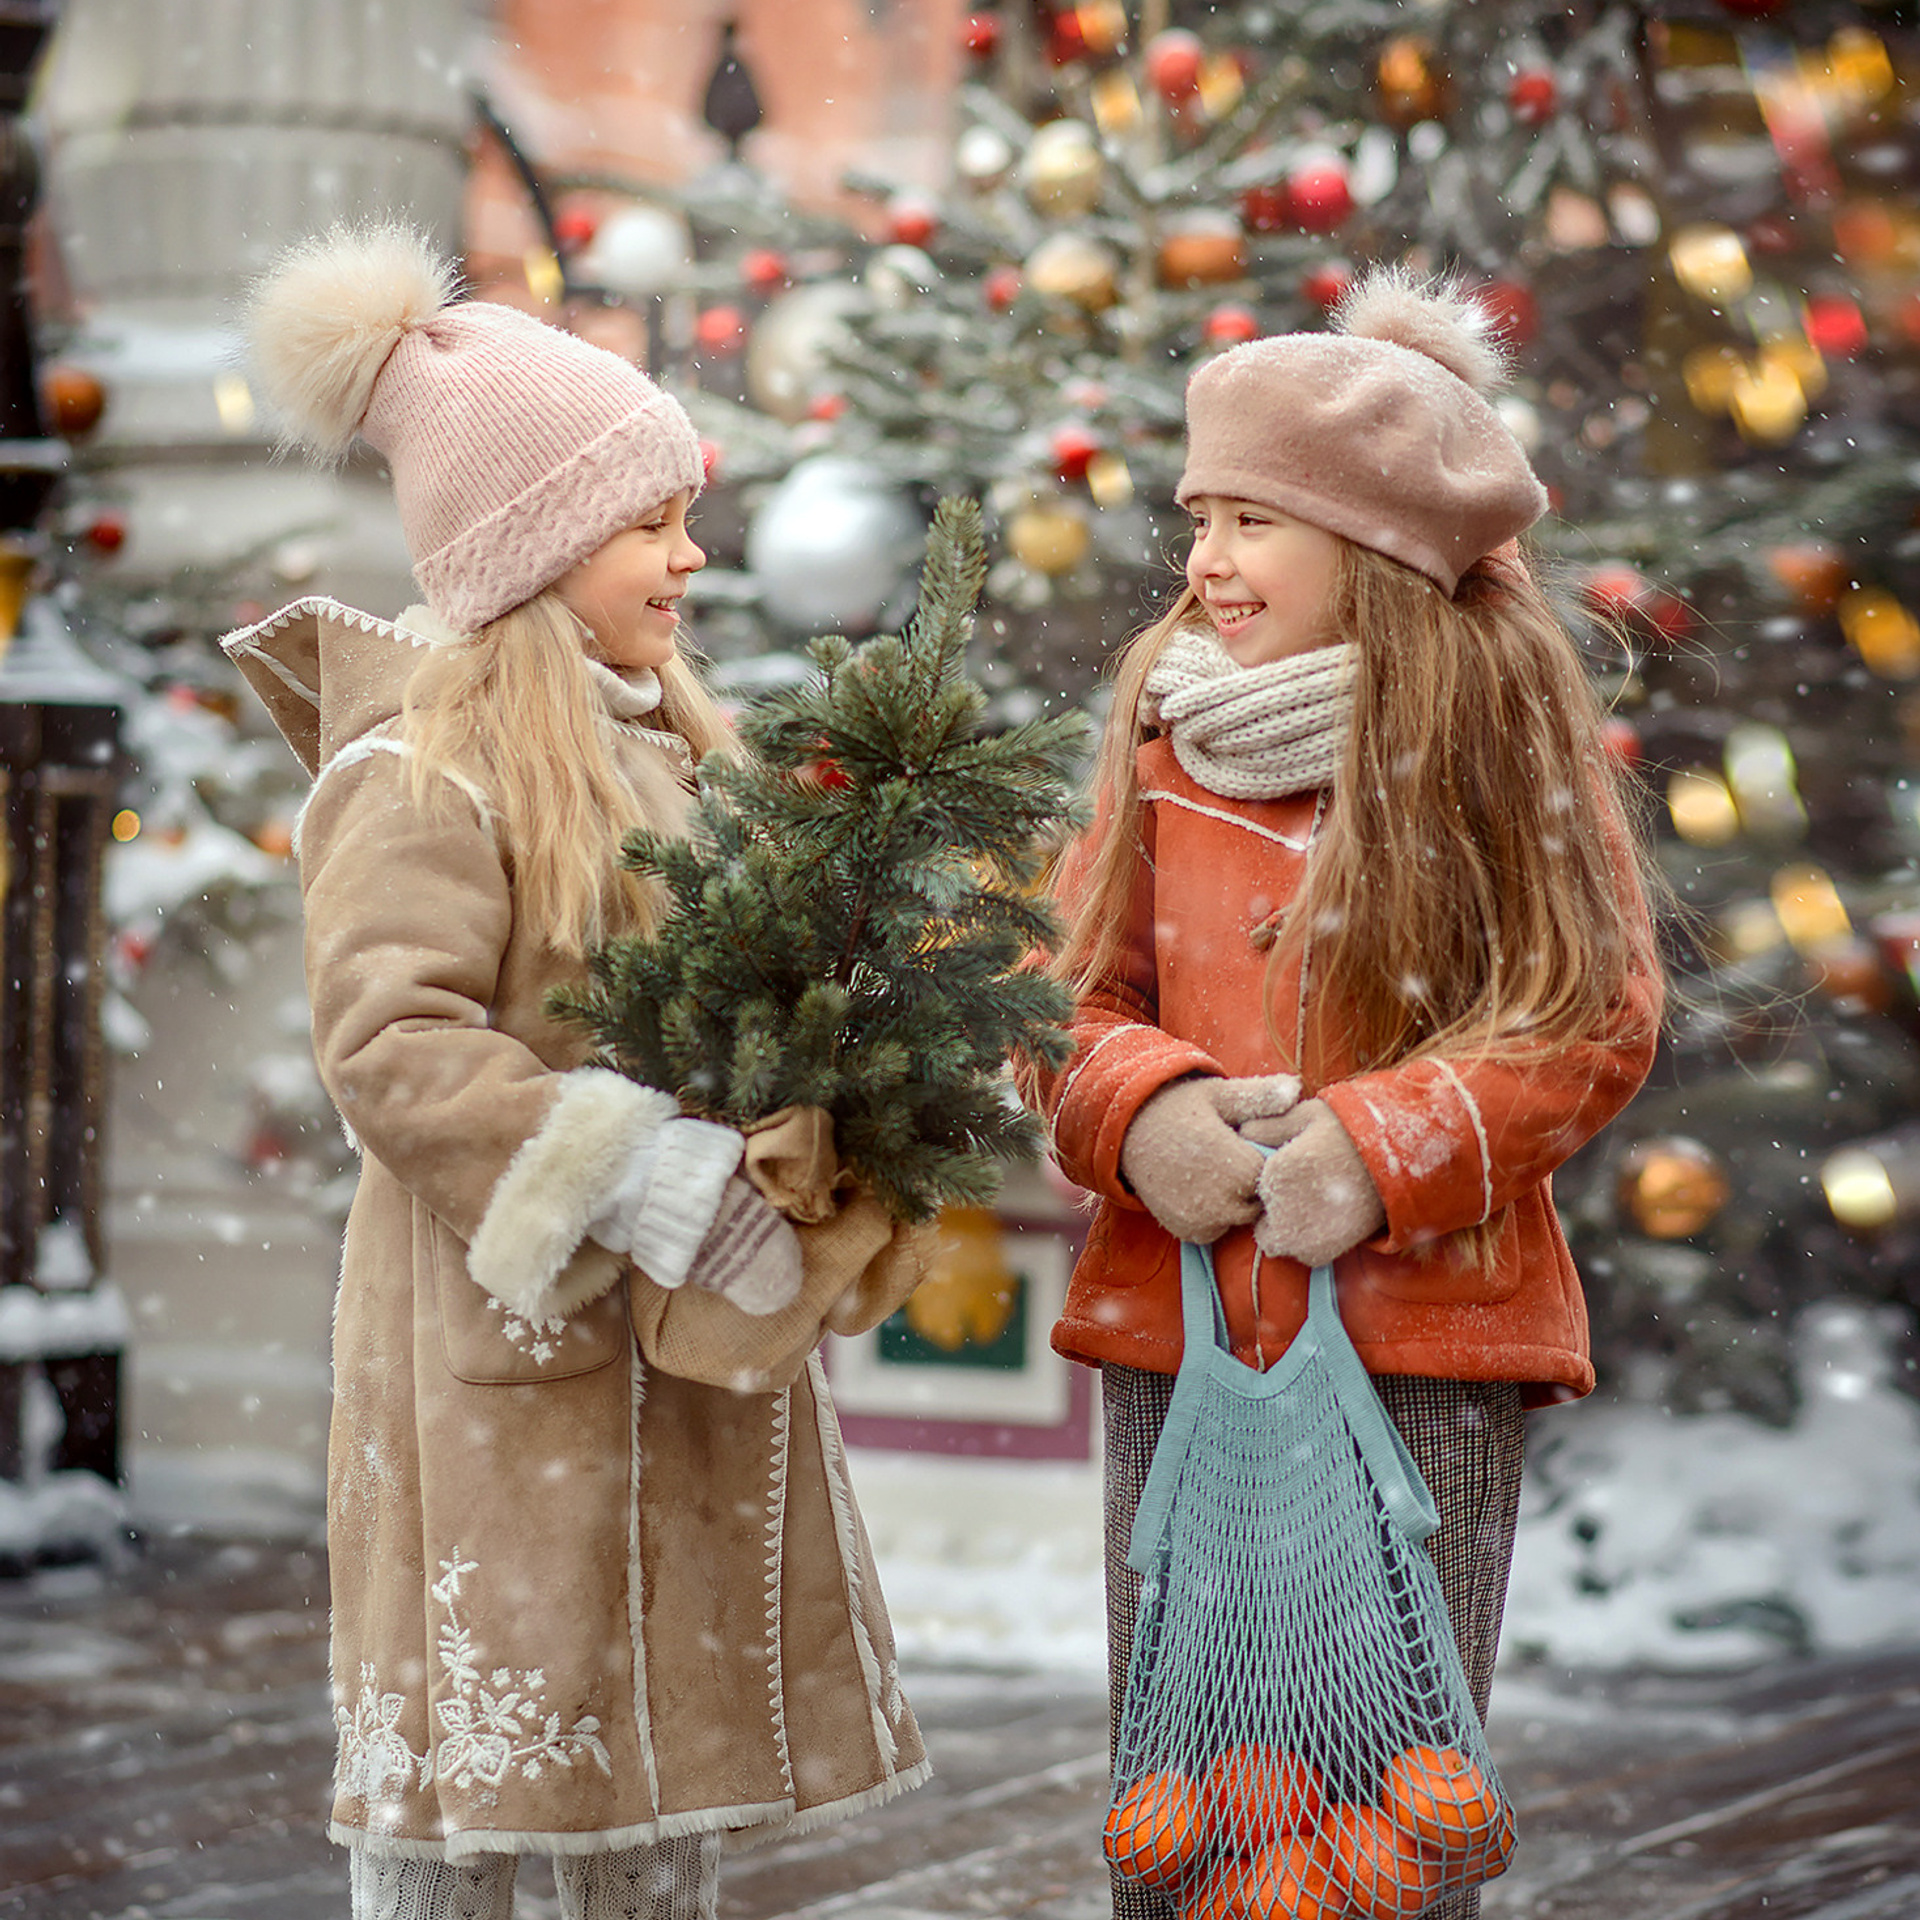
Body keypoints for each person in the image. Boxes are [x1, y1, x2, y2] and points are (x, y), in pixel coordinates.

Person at [225, 225, 927, 1920]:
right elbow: (393, 1049)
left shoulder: (664, 742)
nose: (689, 562)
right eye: (651, 525)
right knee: (502, 1783)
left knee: (645, 1792)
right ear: (531, 544)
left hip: (677, 1340)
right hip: (513, 1352)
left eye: (684, 518)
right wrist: (630, 1164)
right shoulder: (422, 773)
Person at [1021, 268, 1663, 1920]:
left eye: (1251, 522)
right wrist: (1142, 1113)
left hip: (1423, 1348)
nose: (1205, 562)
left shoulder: (1497, 760)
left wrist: (1384, 1146)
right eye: (1200, 519)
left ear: (1372, 547)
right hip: (1182, 1332)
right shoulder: (1163, 754)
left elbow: (1587, 1015)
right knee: (1184, 1786)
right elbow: (1058, 996)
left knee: (1388, 1808)